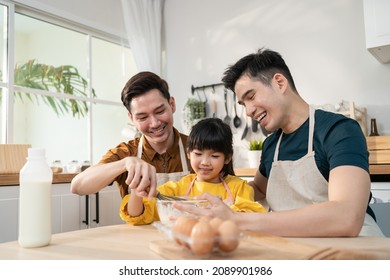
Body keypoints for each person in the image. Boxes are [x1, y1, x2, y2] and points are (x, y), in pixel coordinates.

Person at [174, 48, 384, 237]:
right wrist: (209, 191)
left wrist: (238, 219)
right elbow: (257, 189)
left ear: (280, 82)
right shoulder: (271, 145)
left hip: (352, 252)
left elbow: (346, 217)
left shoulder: (338, 130)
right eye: (243, 104)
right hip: (294, 250)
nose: (248, 111)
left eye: (251, 96)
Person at [119, 118, 266, 225]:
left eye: (214, 156)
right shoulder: (177, 188)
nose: (205, 162)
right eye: (198, 154)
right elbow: (137, 214)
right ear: (189, 154)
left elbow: (251, 219)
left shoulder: (239, 188)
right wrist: (136, 192)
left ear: (227, 158)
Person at [70, 71, 190, 199]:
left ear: (172, 105)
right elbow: (77, 186)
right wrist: (124, 164)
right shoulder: (125, 153)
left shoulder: (197, 148)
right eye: (143, 117)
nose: (154, 124)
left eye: (160, 111)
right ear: (132, 118)